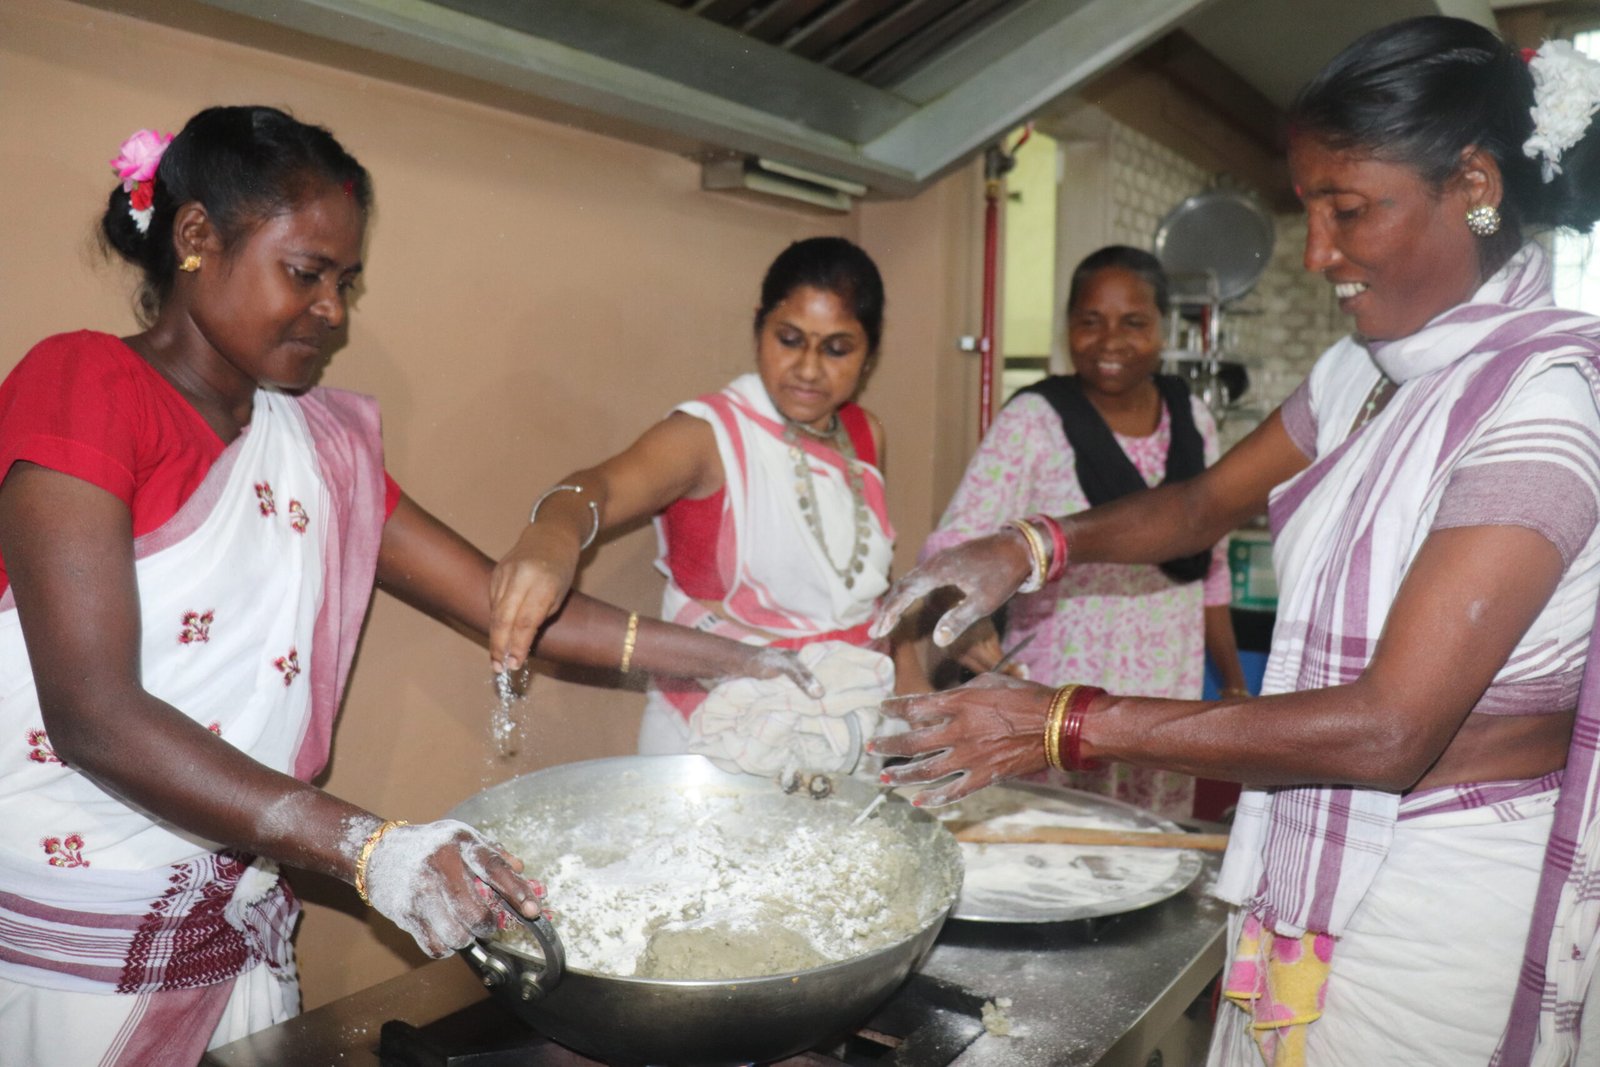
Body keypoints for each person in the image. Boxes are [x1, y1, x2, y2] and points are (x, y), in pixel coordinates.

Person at [0, 106, 816, 1067]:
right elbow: (92, 713)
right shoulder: (85, 383)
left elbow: (509, 604)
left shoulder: (316, 446)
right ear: (195, 237)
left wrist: (747, 662)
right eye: (306, 273)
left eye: (345, 282)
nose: (334, 312)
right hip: (75, 949)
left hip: (239, 929)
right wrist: (371, 848)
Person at [869, 18, 1600, 1065]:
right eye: (1310, 209)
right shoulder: (1365, 372)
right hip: (1325, 863)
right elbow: (1200, 505)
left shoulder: (1538, 407)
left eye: (1348, 209)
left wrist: (1063, 721)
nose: (1316, 253)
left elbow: (1390, 729)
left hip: (1433, 905)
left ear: (1474, 185)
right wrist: (1022, 547)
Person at [490, 237, 926, 776]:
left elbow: (867, 586)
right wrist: (551, 538)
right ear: (759, 327)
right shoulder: (706, 436)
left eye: (837, 349)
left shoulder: (864, 434)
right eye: (789, 340)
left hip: (843, 729)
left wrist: (919, 698)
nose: (809, 369)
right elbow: (597, 487)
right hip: (716, 737)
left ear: (869, 354)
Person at [921, 245, 1246, 819]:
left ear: (1162, 327)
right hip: (1058, 694)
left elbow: (1210, 567)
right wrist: (965, 623)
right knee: (1058, 838)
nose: (1109, 341)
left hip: (1163, 696)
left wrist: (1234, 684)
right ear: (1068, 326)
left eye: (1133, 323)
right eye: (1090, 322)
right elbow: (953, 547)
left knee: (1153, 840)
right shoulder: (1036, 420)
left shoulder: (1192, 417)